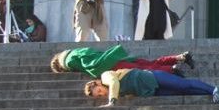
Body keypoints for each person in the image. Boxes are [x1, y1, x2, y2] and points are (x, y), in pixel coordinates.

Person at [83, 68, 219, 107]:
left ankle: (214, 90)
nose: (102, 94)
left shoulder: (105, 77)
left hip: (150, 77)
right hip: (149, 90)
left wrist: (112, 101)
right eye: (99, 96)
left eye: (100, 91)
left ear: (98, 84)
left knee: (183, 84)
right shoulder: (115, 91)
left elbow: (115, 82)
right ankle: (217, 90)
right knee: (182, 91)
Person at [50, 45, 195, 78]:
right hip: (114, 57)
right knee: (148, 63)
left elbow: (88, 65)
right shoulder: (75, 52)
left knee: (144, 69)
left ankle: (172, 69)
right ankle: (180, 57)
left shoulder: (69, 62)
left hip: (111, 64)